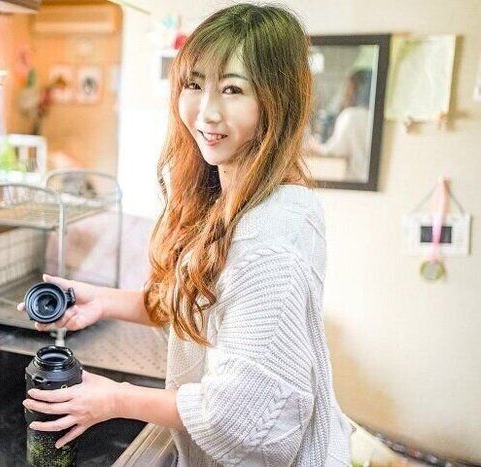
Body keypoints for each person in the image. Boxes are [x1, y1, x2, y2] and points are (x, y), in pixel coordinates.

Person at [18, 4, 353, 466]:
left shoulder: (274, 233)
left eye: (233, 89)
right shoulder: (229, 194)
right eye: (194, 85)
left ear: (277, 102)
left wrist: (115, 398)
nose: (206, 111)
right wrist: (103, 302)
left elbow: (241, 414)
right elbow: (201, 304)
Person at [308, 69, 373, 182]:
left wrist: (313, 146)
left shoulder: (351, 115)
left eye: (349, 87)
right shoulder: (372, 116)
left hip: (354, 181)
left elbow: (333, 152)